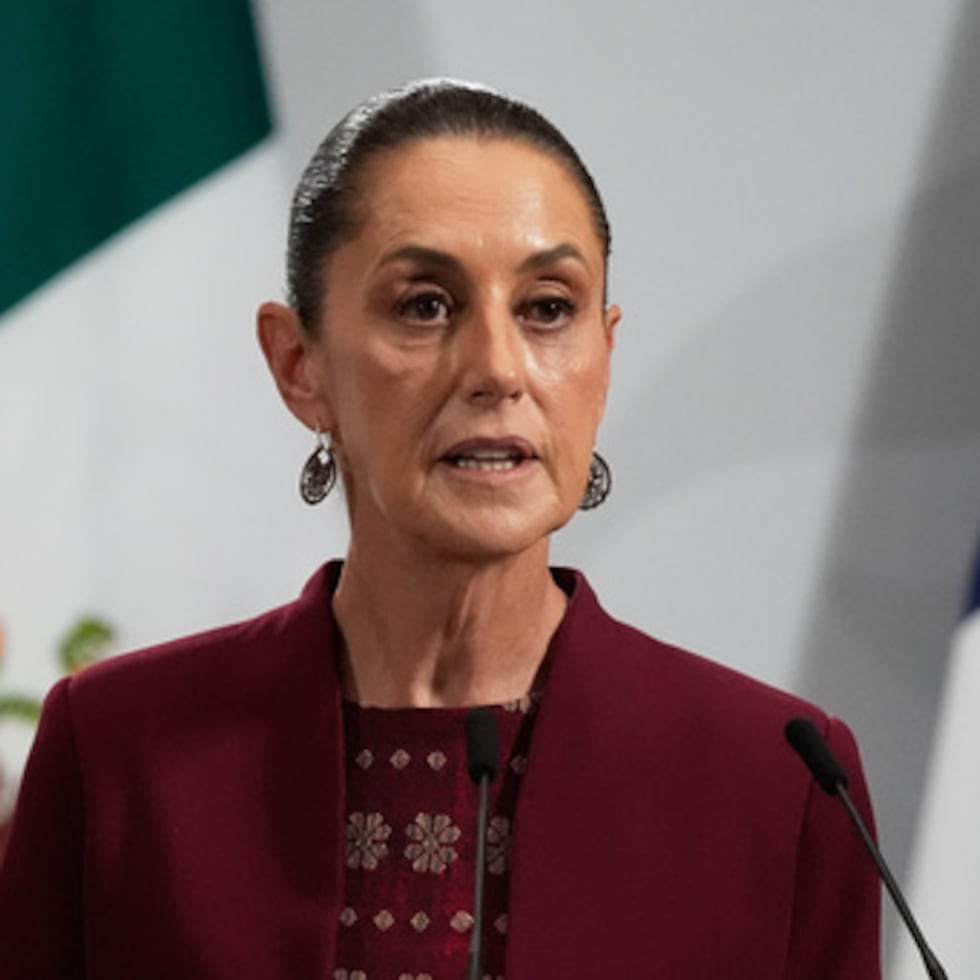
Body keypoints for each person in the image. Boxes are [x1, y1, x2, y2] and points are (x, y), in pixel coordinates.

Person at [0, 80, 880, 978]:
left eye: (548, 308)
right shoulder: (114, 752)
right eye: (424, 304)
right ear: (298, 365)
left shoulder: (783, 785)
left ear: (604, 356)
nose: (498, 369)